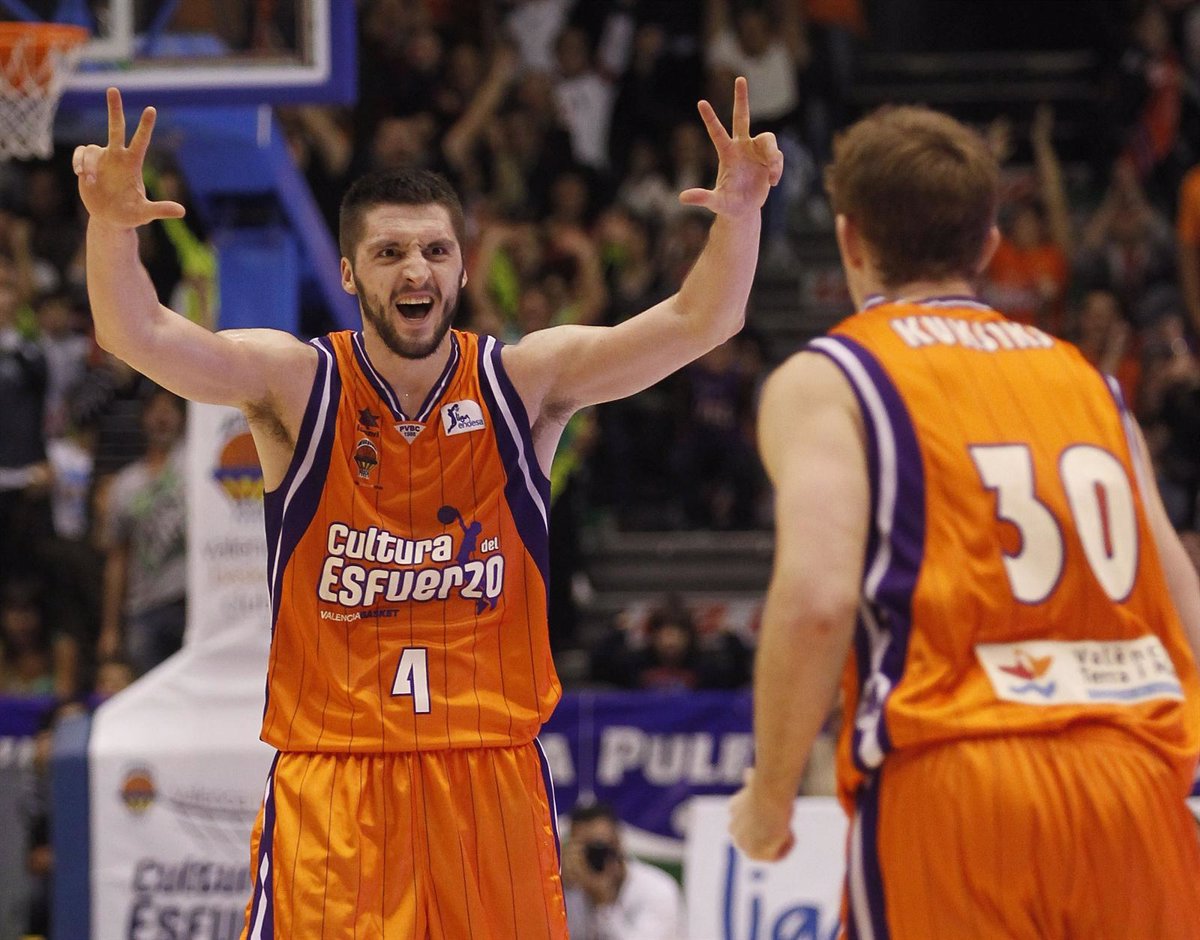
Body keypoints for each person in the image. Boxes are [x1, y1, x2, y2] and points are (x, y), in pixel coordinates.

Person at [73, 78, 781, 938]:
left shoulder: (525, 383)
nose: (417, 270)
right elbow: (135, 333)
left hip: (490, 785)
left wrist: (740, 211)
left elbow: (701, 319)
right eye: (390, 252)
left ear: (462, 263)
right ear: (348, 272)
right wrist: (110, 226)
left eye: (436, 251)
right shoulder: (295, 385)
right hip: (337, 786)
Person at [729, 105, 1200, 938]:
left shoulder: (831, 376)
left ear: (849, 241)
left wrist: (769, 801)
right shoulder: (1091, 383)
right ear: (988, 244)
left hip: (955, 777)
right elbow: (1186, 608)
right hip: (1134, 785)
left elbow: (815, 602)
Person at [562, 801, 684, 940]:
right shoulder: (571, 890)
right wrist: (560, 888)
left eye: (598, 847)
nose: (593, 857)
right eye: (584, 850)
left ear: (618, 843)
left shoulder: (658, 890)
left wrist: (603, 904)